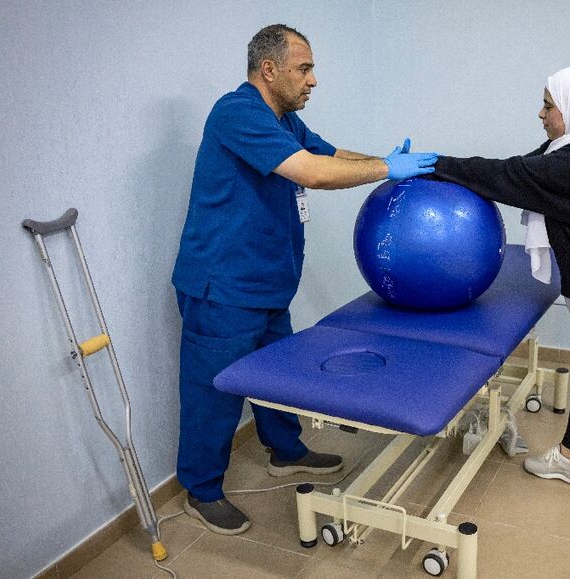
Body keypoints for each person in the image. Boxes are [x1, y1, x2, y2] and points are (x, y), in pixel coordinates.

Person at [171, 23, 437, 535]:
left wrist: (392, 162)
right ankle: (201, 490)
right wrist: (387, 169)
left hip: (266, 282)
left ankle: (285, 452)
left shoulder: (284, 120)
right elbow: (311, 174)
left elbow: (330, 157)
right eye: (304, 68)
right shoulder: (237, 113)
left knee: (277, 375)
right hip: (221, 286)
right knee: (214, 391)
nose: (313, 80)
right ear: (268, 70)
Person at [429, 65, 570, 514]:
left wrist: (434, 164)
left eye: (549, 106)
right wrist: (447, 167)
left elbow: (508, 177)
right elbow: (514, 170)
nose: (541, 113)